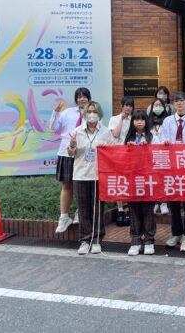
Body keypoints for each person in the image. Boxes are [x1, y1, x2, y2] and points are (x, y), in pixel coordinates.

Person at [67, 101, 114, 255]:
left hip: (98, 176)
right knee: (83, 209)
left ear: (99, 114)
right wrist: (72, 145)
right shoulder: (77, 132)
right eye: (89, 111)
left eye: (94, 111)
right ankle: (84, 240)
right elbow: (70, 153)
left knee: (97, 209)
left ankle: (97, 240)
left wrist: (105, 149)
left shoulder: (106, 132)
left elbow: (112, 152)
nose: (92, 114)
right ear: (85, 114)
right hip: (81, 175)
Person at [160, 91, 185, 251]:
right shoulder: (167, 121)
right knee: (174, 201)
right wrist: (164, 142)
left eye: (182, 101)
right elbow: (161, 139)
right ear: (173, 104)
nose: (179, 103)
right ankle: (176, 233)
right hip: (172, 166)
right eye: (176, 101)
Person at [49, 87, 91, 233]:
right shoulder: (67, 112)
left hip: (84, 154)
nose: (82, 99)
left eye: (84, 96)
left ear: (89, 98)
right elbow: (53, 128)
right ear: (76, 99)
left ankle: (80, 212)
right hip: (66, 153)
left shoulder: (93, 113)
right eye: (79, 97)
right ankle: (64, 217)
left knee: (82, 185)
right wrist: (55, 113)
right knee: (67, 185)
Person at [124, 110, 157, 256]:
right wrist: (128, 149)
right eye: (136, 119)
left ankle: (149, 240)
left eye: (142, 119)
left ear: (146, 121)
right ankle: (135, 241)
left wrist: (148, 148)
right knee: (134, 209)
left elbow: (159, 155)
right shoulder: (128, 138)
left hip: (148, 178)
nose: (139, 122)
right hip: (132, 178)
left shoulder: (152, 137)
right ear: (132, 122)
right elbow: (120, 157)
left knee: (148, 209)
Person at [108, 96, 135, 227]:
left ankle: (129, 209)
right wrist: (122, 119)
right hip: (117, 154)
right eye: (126, 105)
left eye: (130, 106)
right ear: (122, 106)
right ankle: (120, 210)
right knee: (118, 181)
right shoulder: (114, 119)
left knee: (130, 181)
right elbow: (115, 134)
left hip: (131, 154)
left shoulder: (135, 119)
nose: (128, 108)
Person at [148, 98, 170, 215]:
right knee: (153, 179)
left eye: (159, 105)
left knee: (163, 179)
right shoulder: (148, 122)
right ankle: (155, 202)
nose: (157, 107)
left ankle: (163, 202)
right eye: (155, 105)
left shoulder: (168, 121)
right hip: (151, 155)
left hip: (164, 154)